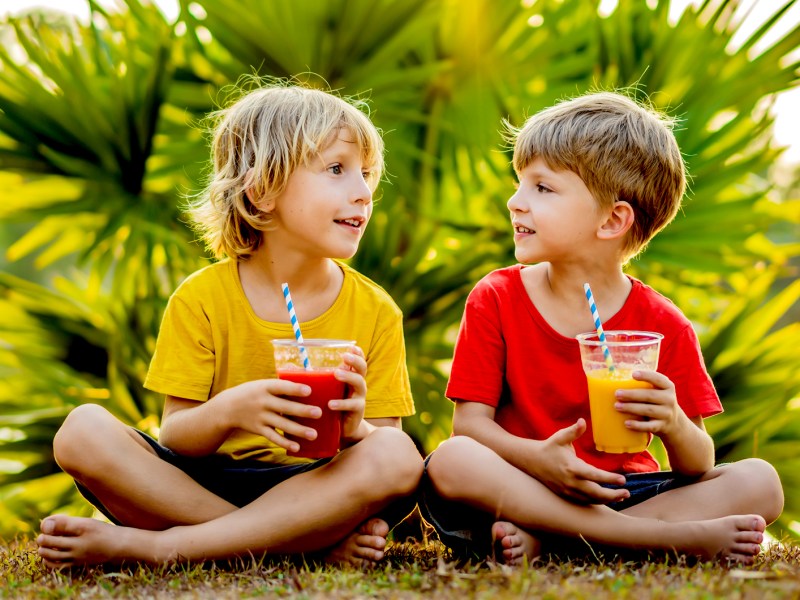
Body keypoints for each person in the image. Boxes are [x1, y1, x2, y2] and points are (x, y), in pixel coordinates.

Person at [35, 80, 423, 568]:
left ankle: (164, 548)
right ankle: (293, 547)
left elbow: (386, 449)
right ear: (262, 192)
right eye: (337, 170)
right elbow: (175, 437)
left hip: (317, 487)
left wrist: (353, 430)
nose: (364, 192)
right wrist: (230, 411)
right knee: (81, 430)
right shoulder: (202, 297)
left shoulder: (375, 309)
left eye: (366, 174)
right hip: (203, 484)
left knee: (397, 453)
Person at [421, 91, 784, 566]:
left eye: (542, 188)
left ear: (613, 219)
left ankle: (560, 542)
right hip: (524, 483)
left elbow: (699, 463)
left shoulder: (662, 322)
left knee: (760, 481)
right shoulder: (497, 296)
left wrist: (673, 421)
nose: (515, 202)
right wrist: (538, 460)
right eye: (520, 183)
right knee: (452, 460)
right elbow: (469, 427)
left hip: (622, 491)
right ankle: (652, 540)